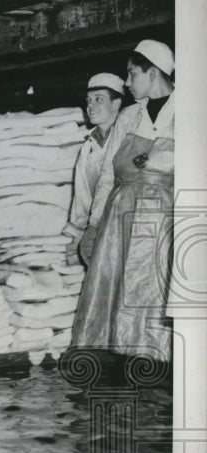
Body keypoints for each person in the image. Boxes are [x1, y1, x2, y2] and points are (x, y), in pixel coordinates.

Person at [72, 40, 175, 361]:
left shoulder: (193, 109)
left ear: (153, 72)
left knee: (154, 289)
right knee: (113, 293)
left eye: (132, 74)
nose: (127, 83)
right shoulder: (130, 115)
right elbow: (107, 175)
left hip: (166, 219)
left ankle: (158, 360)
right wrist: (93, 225)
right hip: (120, 217)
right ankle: (118, 358)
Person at [63, 73, 126, 265]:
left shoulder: (128, 140)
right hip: (98, 229)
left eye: (99, 99)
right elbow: (82, 198)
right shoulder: (88, 146)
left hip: (124, 227)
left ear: (116, 104)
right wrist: (76, 235)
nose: (90, 106)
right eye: (88, 100)